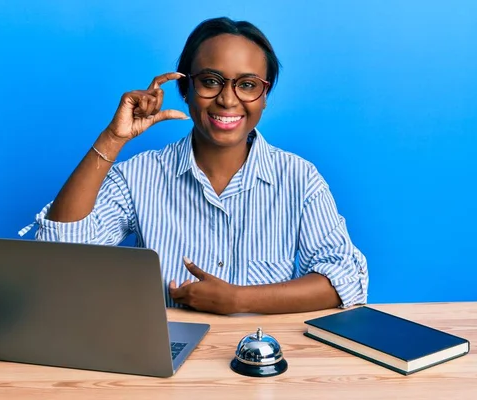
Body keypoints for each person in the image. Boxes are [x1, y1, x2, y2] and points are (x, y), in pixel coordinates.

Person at [20, 17, 369, 315]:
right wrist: (113, 138)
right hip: (163, 364)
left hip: (263, 364)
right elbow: (60, 253)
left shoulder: (299, 179)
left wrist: (238, 299)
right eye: (211, 81)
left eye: (247, 85)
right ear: (185, 88)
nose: (228, 99)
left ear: (264, 95)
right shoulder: (140, 175)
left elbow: (345, 279)